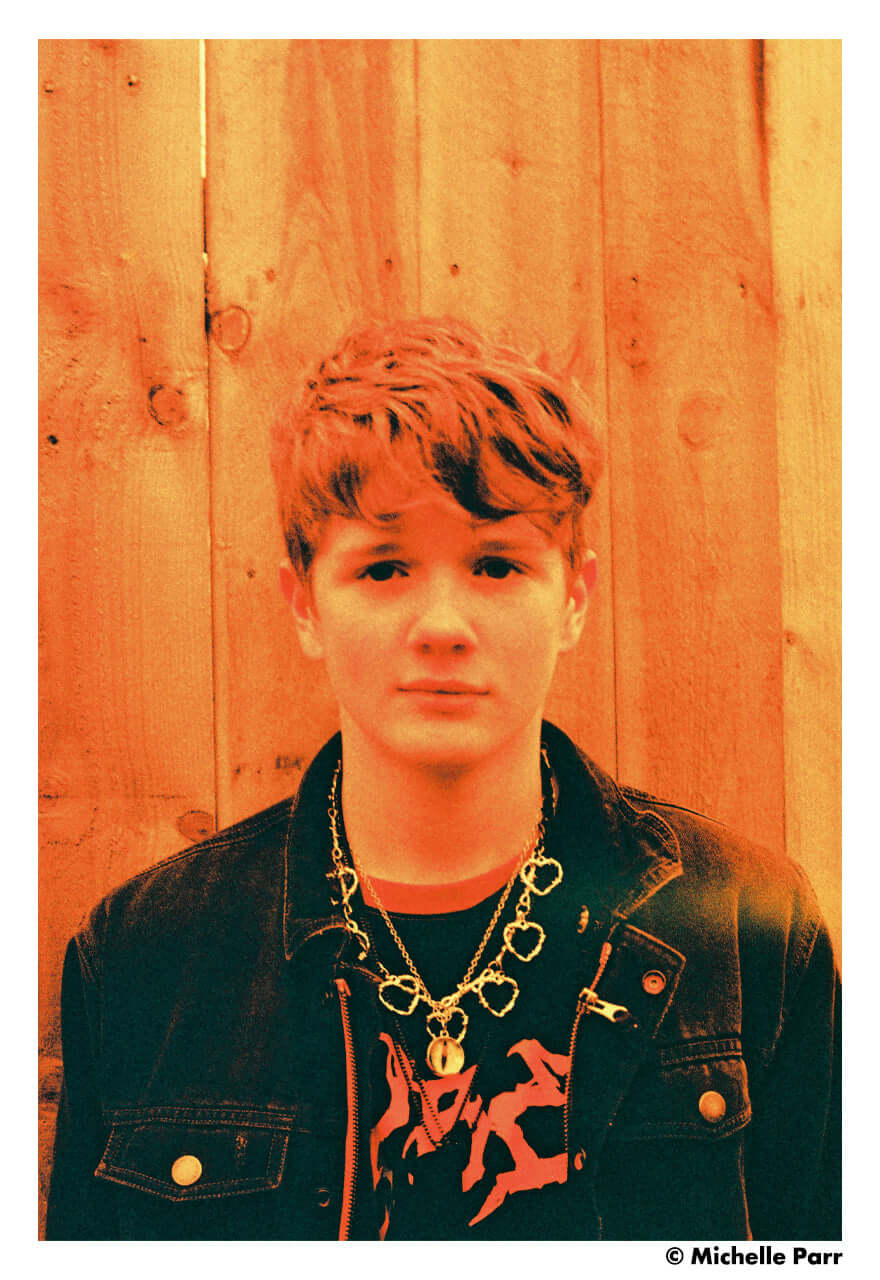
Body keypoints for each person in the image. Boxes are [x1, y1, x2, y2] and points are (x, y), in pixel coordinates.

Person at [46, 317, 840, 1241]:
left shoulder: (746, 927)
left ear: (573, 599)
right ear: (303, 605)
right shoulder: (146, 952)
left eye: (496, 564)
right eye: (384, 569)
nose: (442, 626)